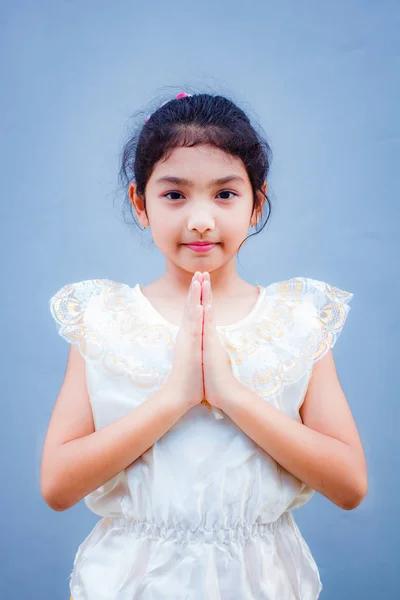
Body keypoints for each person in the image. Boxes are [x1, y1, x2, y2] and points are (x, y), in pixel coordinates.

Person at [41, 91, 368, 600]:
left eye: (224, 194)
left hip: (262, 580)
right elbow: (57, 486)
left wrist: (230, 393)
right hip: (133, 579)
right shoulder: (104, 321)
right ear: (139, 203)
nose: (200, 219)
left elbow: (350, 485)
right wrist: (175, 396)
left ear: (256, 203)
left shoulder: (297, 321)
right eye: (174, 195)